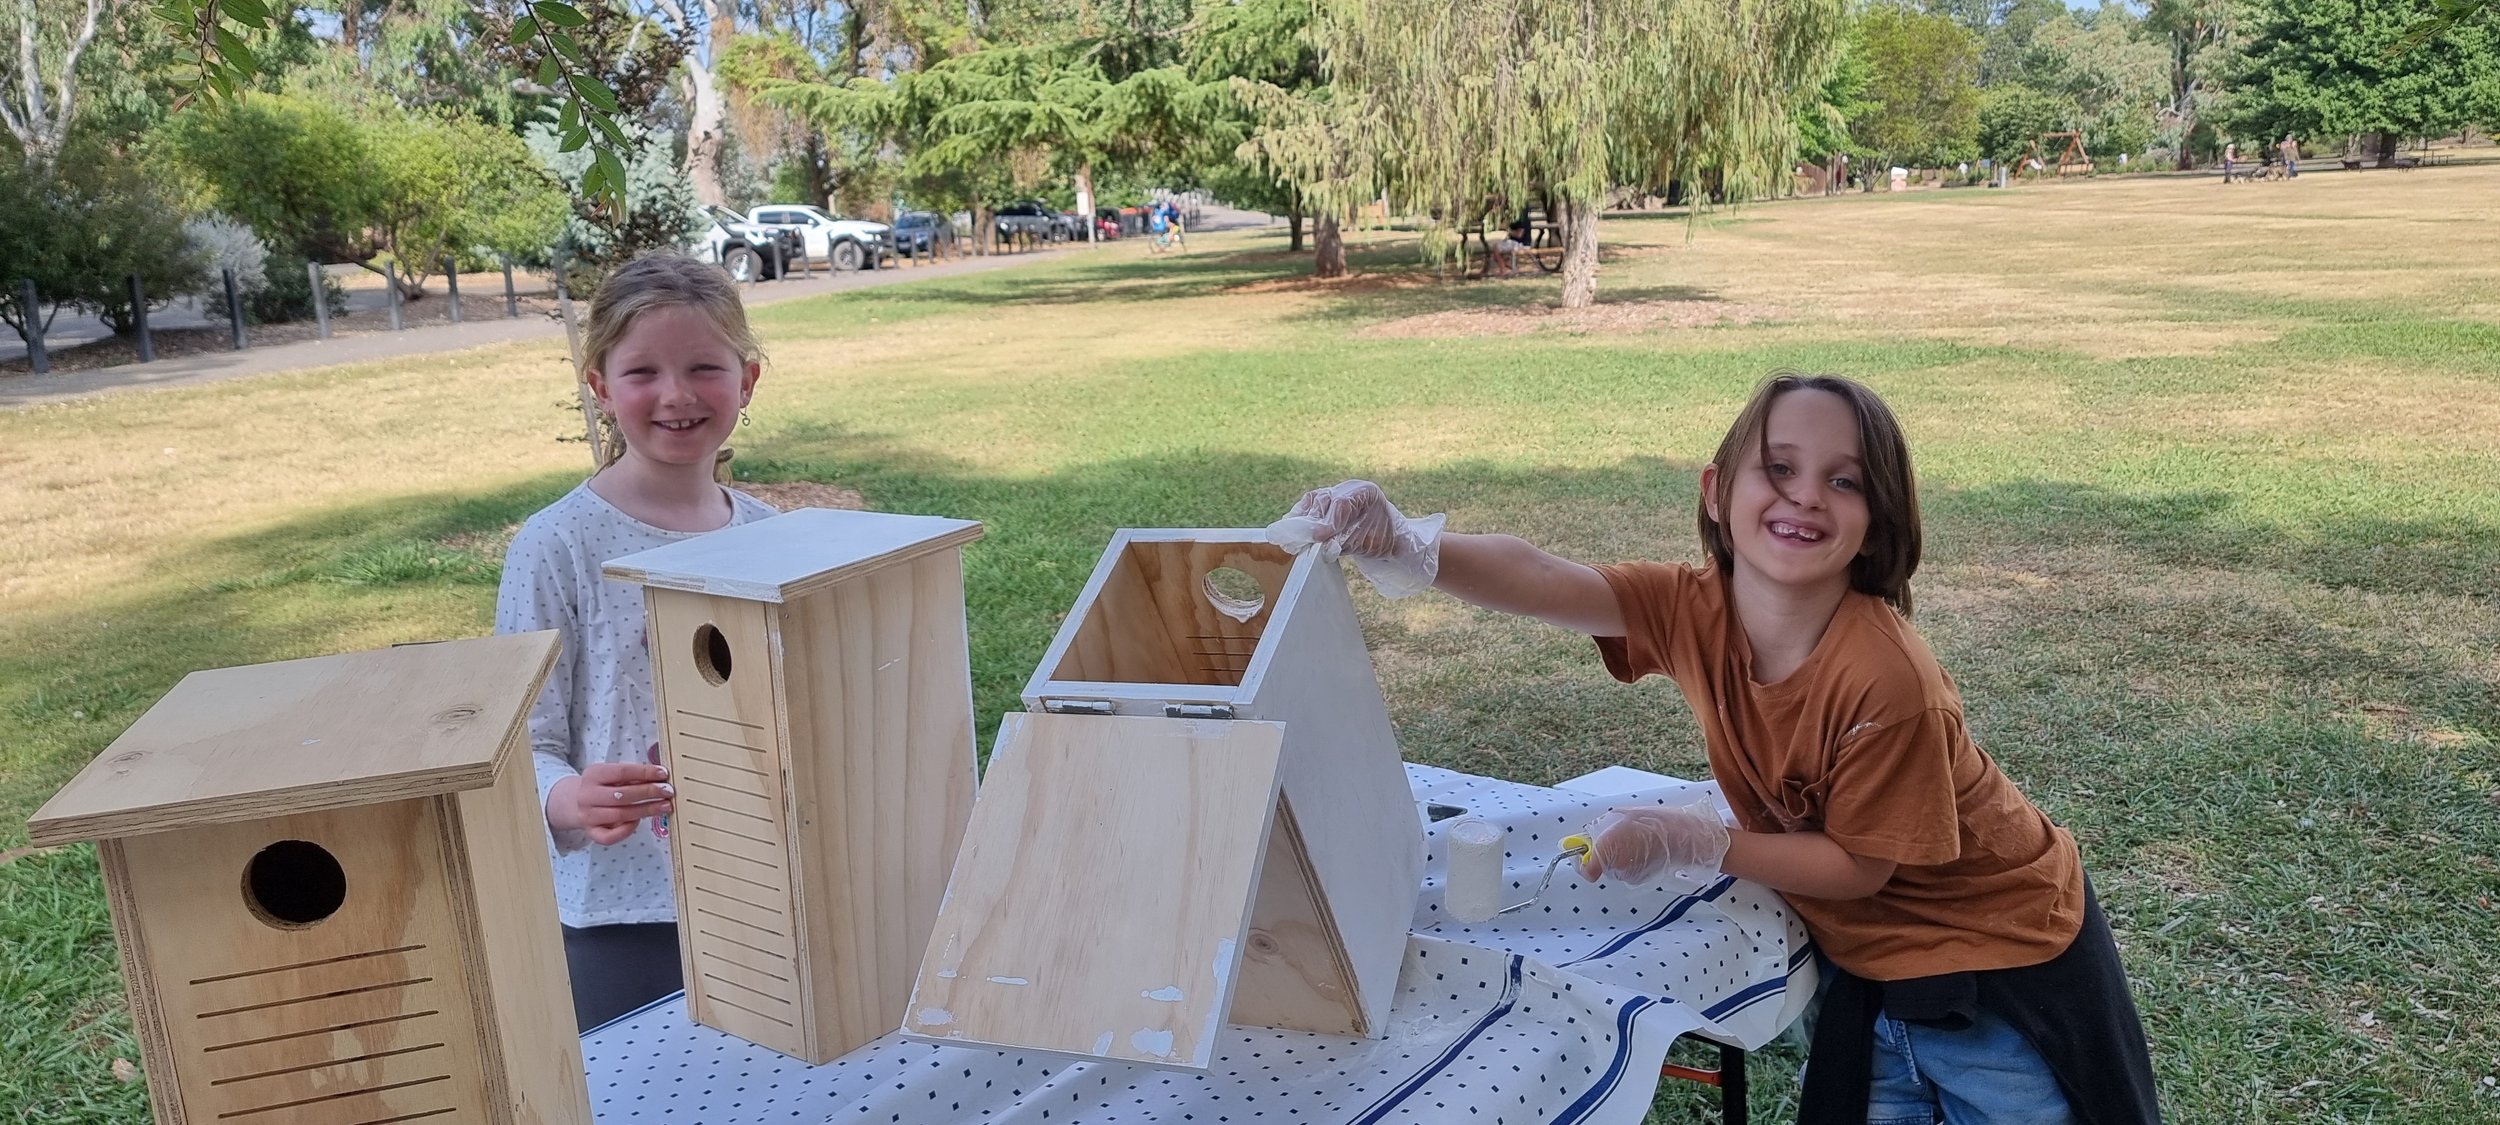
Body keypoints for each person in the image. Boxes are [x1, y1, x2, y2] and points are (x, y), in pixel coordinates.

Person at [1275, 373, 2160, 1124]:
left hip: (1999, 965)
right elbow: (1545, 576)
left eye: (1844, 481)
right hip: (1870, 972)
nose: (1806, 494)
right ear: (1715, 491)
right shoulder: (1693, 606)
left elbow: (1858, 868)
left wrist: (1696, 840)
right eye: (1778, 467)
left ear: (1878, 522)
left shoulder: (1888, 680)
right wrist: (1405, 541)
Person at [495, 252, 781, 1033]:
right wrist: (567, 797)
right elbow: (518, 741)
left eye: (704, 367)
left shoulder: (774, 536)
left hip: (765, 898)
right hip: (622, 914)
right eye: (643, 371)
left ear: (747, 380)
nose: (677, 394)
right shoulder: (557, 545)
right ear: (599, 387)